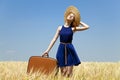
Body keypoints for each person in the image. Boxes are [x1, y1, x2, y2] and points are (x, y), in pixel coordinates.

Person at [42, 6, 89, 77]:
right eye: (70, 14)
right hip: (61, 49)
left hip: (70, 49)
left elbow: (87, 27)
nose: (70, 16)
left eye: (72, 16)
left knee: (69, 73)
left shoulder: (73, 29)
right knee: (63, 72)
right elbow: (54, 39)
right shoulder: (60, 28)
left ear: (73, 19)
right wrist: (47, 51)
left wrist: (78, 21)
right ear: (67, 16)